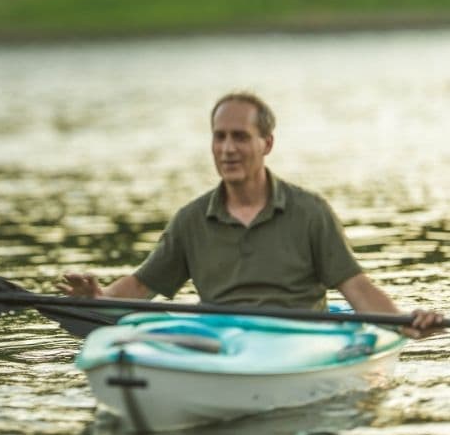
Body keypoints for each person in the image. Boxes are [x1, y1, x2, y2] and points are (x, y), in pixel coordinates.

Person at [60, 91, 444, 338]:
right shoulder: (191, 220)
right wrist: (99, 296)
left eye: (240, 137)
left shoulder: (310, 213)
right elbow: (142, 286)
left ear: (267, 143)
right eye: (219, 136)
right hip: (223, 344)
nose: (227, 148)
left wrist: (408, 324)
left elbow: (357, 289)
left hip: (299, 342)